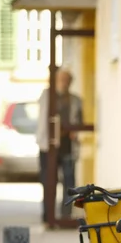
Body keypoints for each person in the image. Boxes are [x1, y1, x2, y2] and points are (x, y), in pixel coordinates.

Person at [36, 68, 84, 222]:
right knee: (48, 180)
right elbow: (44, 119)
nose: (64, 83)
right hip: (48, 145)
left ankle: (65, 215)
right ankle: (48, 214)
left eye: (67, 80)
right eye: (61, 80)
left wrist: (75, 131)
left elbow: (80, 122)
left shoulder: (75, 100)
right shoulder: (47, 96)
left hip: (67, 145)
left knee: (69, 181)